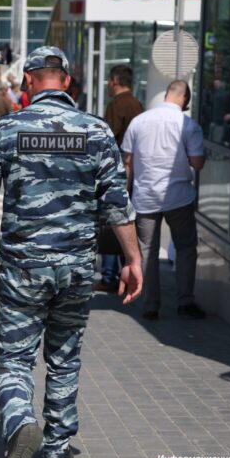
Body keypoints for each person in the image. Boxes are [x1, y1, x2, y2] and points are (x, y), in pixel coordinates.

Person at [0, 46, 142, 458]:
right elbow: (117, 204)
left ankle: (21, 422)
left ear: (28, 81)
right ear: (67, 82)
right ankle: (57, 446)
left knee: (14, 359)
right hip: (78, 266)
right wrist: (134, 260)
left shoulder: (10, 128)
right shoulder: (96, 130)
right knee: (64, 355)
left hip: (25, 266)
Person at [121, 80, 205, 321]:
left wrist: (125, 194)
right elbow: (197, 163)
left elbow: (128, 162)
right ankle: (185, 302)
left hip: (145, 197)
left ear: (167, 94)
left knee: (146, 251)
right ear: (186, 99)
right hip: (179, 197)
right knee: (186, 248)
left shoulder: (139, 121)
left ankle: (150, 305)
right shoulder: (188, 125)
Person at [97, 65, 144, 293]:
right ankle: (125, 268)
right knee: (127, 221)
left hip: (116, 171)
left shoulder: (116, 105)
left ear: (115, 80)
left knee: (110, 223)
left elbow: (107, 138)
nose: (107, 84)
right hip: (136, 172)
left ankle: (108, 276)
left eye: (108, 80)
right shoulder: (137, 104)